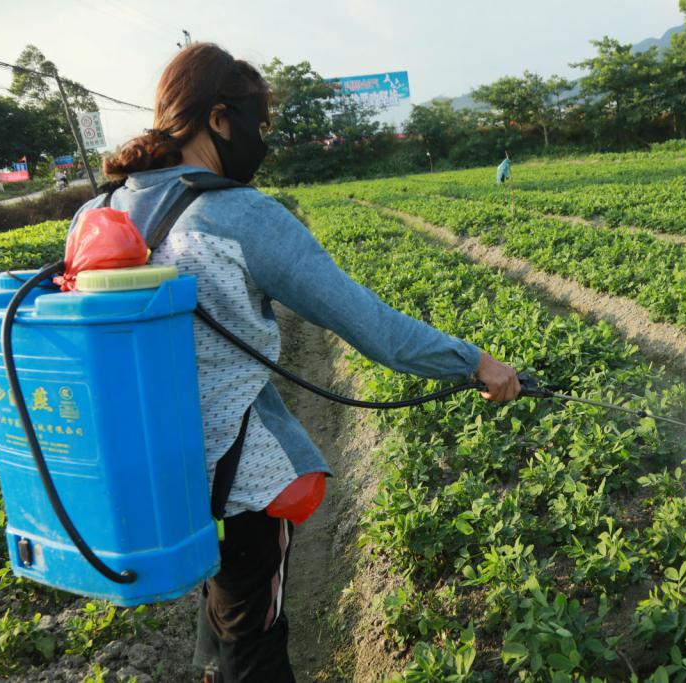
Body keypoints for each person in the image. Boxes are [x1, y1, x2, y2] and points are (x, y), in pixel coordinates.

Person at [76, 43, 520, 683]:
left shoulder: (95, 215)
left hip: (143, 476)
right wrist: (475, 363)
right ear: (218, 119)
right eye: (258, 127)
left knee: (223, 609)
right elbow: (371, 326)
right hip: (238, 479)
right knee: (253, 637)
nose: (261, 142)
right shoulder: (239, 214)